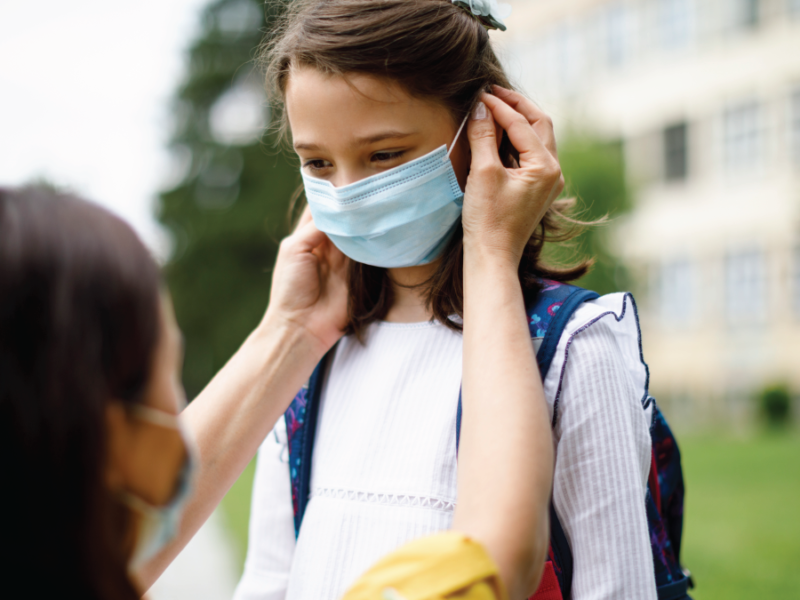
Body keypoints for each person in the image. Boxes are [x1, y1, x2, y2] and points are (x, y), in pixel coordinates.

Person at [235, 2, 660, 600]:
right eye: (318, 163)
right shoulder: (313, 356)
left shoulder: (572, 345)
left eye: (384, 155)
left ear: (487, 128)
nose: (350, 192)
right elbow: (268, 580)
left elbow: (616, 587)